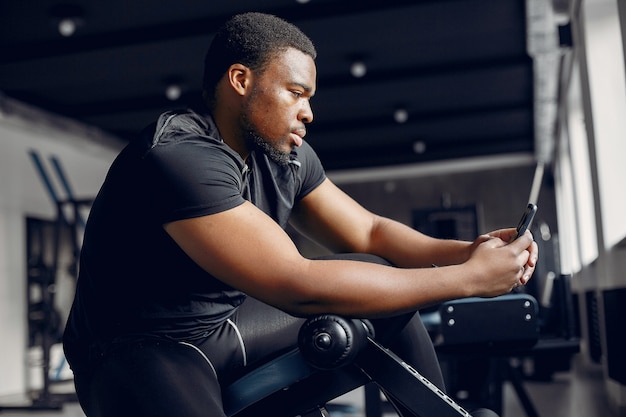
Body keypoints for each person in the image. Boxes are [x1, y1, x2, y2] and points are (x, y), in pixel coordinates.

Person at [62, 12, 538, 417]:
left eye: (309, 97)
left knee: (379, 281)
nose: (308, 112)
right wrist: (469, 281)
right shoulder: (179, 157)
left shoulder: (284, 156)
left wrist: (466, 254)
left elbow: (369, 232)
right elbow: (295, 285)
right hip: (136, 348)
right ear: (240, 81)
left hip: (222, 327)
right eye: (295, 92)